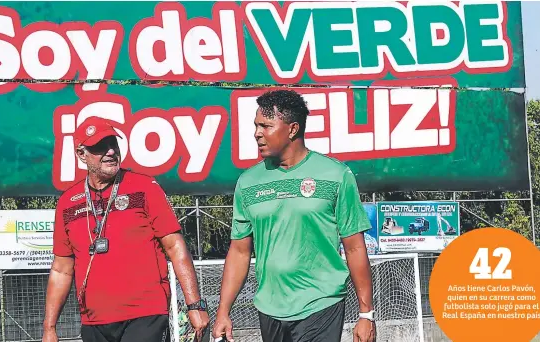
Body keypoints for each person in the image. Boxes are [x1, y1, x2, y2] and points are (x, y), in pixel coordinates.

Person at [212, 90, 376, 342]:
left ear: (292, 129)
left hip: (321, 304)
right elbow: (240, 251)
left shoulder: (335, 175)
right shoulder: (248, 182)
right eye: (256, 126)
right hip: (269, 308)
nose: (257, 133)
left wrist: (366, 314)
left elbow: (354, 248)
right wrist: (223, 311)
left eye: (266, 126)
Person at [43, 117, 209, 342]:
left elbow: (175, 246)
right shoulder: (68, 203)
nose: (110, 151)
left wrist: (194, 304)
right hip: (94, 322)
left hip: (145, 314)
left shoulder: (144, 187)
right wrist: (49, 327)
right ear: (81, 154)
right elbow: (62, 269)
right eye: (100, 147)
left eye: (113, 143)